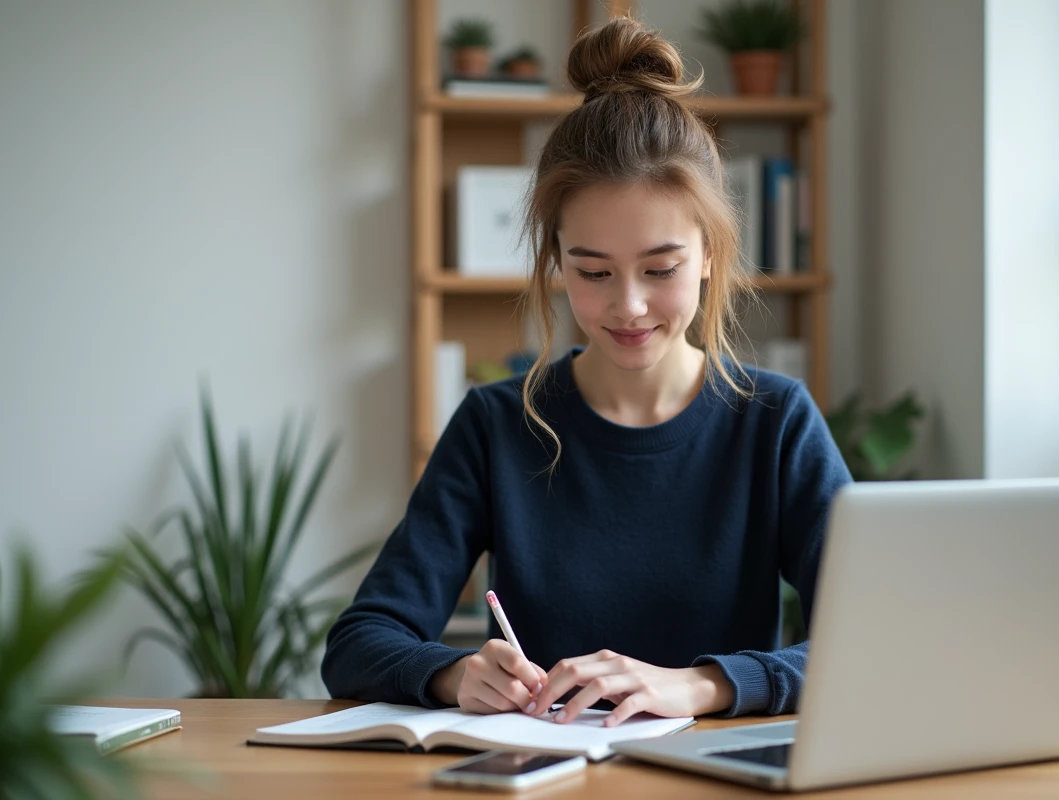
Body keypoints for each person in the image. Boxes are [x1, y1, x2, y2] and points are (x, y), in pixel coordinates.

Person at [321, 16, 851, 728]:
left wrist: (697, 687)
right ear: (555, 265)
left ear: (710, 258)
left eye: (660, 269)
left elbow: (866, 646)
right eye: (592, 271)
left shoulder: (775, 421)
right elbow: (359, 643)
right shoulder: (495, 425)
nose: (627, 306)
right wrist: (452, 674)